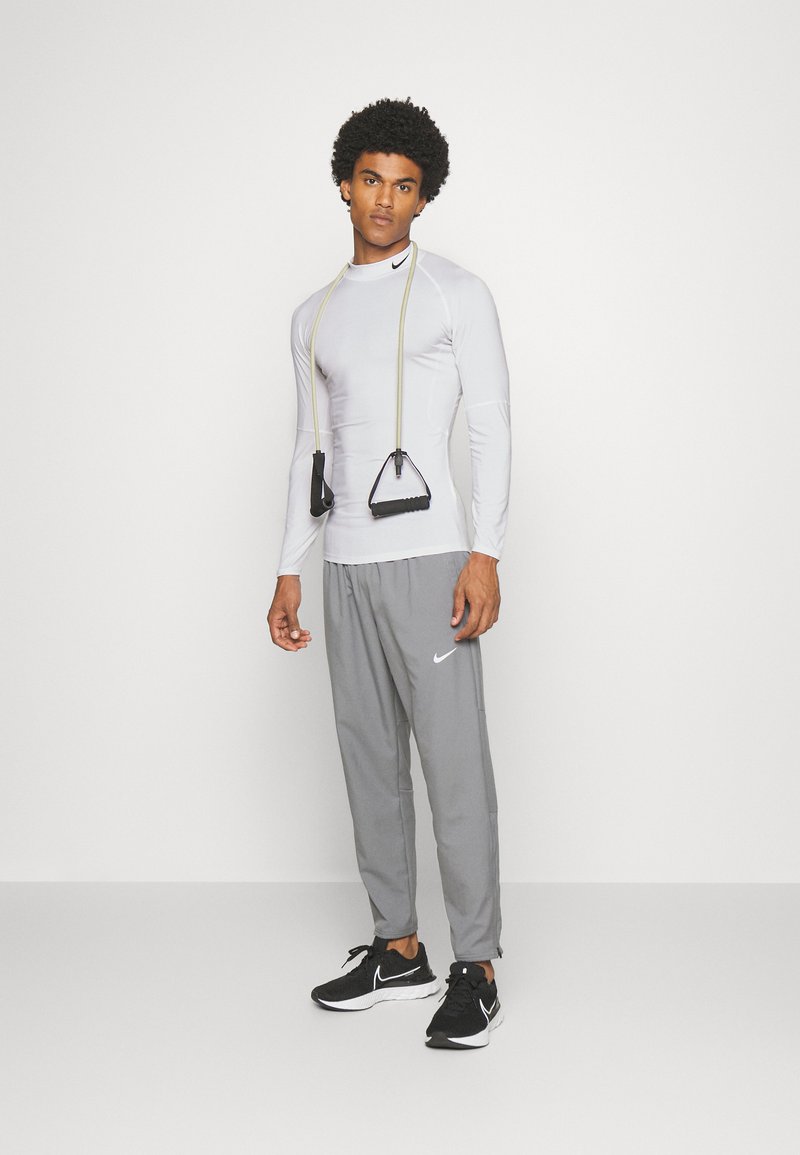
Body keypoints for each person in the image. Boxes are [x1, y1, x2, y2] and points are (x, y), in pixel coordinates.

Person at [267, 97, 511, 1049]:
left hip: (432, 557)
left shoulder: (456, 292)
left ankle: (476, 964)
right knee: (368, 760)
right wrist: (289, 567)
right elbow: (309, 448)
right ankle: (398, 946)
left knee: (453, 768)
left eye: (405, 187)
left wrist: (485, 550)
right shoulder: (312, 314)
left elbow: (489, 424)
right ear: (345, 183)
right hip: (345, 563)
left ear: (423, 198)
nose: (384, 200)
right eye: (371, 180)